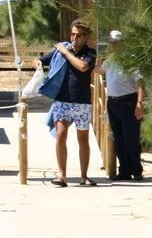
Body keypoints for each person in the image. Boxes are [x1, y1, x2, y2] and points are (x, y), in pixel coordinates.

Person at [34, 19, 97, 187]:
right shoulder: (61, 49)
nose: (74, 38)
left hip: (82, 102)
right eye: (73, 34)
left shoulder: (90, 53)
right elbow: (41, 59)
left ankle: (84, 176)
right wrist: (39, 63)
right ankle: (62, 175)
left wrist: (65, 52)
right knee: (60, 135)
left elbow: (82, 66)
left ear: (85, 38)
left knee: (83, 139)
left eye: (78, 35)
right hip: (62, 101)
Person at [95, 30, 145, 181]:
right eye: (111, 43)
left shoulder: (131, 59)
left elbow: (140, 82)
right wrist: (92, 61)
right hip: (113, 102)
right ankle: (124, 170)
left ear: (122, 43)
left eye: (116, 42)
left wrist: (140, 103)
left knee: (131, 138)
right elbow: (98, 70)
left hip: (128, 102)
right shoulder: (110, 59)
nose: (113, 45)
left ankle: (136, 170)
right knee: (118, 138)